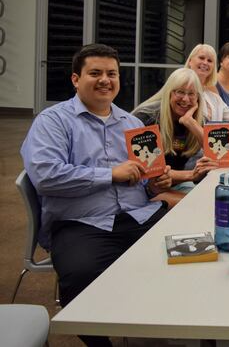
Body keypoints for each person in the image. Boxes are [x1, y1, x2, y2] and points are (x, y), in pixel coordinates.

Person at [21, 44, 172, 347]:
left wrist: (155, 183)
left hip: (139, 215)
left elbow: (144, 179)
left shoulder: (133, 124)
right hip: (81, 223)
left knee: (196, 254)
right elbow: (46, 176)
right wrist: (109, 174)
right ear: (76, 79)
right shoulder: (53, 121)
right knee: (81, 278)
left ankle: (169, 332)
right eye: (95, 73)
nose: (105, 79)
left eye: (111, 73)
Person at [132, 67, 219, 203]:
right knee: (200, 205)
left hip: (176, 185)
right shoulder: (146, 118)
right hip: (146, 189)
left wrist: (191, 124)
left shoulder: (197, 120)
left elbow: (220, 156)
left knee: (217, 197)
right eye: (180, 92)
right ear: (169, 93)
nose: (185, 99)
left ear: (198, 98)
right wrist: (191, 175)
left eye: (191, 94)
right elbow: (150, 172)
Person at [184, 43, 229, 141]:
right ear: (190, 61)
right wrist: (228, 131)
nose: (205, 63)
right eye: (201, 58)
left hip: (215, 151)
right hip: (190, 154)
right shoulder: (181, 93)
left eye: (210, 61)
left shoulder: (213, 97)